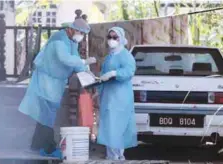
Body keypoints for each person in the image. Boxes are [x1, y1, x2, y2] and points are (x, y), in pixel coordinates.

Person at [18, 18, 96, 157]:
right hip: (46, 81)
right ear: (71, 29)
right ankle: (49, 148)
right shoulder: (59, 39)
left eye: (83, 34)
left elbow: (75, 60)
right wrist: (83, 61)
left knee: (45, 115)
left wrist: (85, 69)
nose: (81, 36)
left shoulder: (71, 41)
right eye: (80, 32)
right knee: (46, 115)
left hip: (54, 83)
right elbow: (64, 58)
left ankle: (36, 146)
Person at [96, 27, 138, 160]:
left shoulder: (125, 55)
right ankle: (112, 157)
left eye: (115, 37)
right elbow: (103, 76)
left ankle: (117, 158)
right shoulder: (109, 57)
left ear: (121, 39)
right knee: (109, 128)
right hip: (108, 97)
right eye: (110, 37)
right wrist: (97, 89)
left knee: (117, 128)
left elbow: (129, 71)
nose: (112, 40)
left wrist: (115, 73)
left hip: (120, 98)